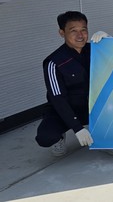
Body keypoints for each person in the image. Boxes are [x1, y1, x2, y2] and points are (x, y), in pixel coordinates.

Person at [36, 12, 96, 156]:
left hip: (91, 107)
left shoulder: (96, 50)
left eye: (83, 30)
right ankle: (60, 137)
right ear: (62, 33)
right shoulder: (54, 62)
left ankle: (106, 140)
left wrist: (108, 41)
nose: (80, 35)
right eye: (73, 31)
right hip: (64, 108)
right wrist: (77, 128)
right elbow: (58, 99)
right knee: (46, 137)